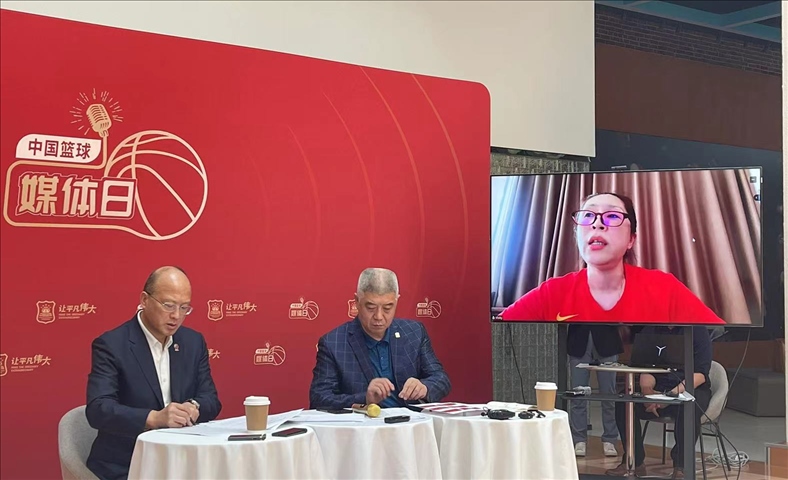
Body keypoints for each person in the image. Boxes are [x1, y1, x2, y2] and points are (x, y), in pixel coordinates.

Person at [501, 192, 725, 325]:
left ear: (631, 239)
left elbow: (714, 332)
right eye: (588, 215)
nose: (597, 224)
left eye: (612, 216)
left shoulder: (663, 287)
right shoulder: (552, 293)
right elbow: (500, 328)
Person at [85, 266, 221, 480]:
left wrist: (193, 407)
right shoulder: (112, 345)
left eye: (184, 308)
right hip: (128, 464)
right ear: (145, 300)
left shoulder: (193, 342)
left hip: (183, 460)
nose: (176, 316)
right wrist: (154, 418)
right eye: (168, 305)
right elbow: (99, 409)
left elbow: (211, 399)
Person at [309, 267, 451, 409]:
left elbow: (441, 379)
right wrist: (364, 398)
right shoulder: (333, 343)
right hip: (365, 421)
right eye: (370, 307)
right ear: (357, 301)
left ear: (396, 301)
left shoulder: (414, 332)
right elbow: (319, 398)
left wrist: (424, 387)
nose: (378, 316)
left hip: (411, 420)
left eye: (387, 308)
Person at [605, 325, 713, 479]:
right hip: (658, 387)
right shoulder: (650, 330)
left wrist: (670, 396)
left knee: (688, 406)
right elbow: (645, 368)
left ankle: (681, 465)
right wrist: (648, 393)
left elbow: (700, 374)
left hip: (689, 387)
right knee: (624, 401)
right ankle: (633, 461)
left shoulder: (697, 331)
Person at [568, 325, 623, 457]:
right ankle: (579, 440)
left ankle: (610, 439)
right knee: (578, 395)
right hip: (579, 338)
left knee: (608, 395)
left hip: (607, 338)